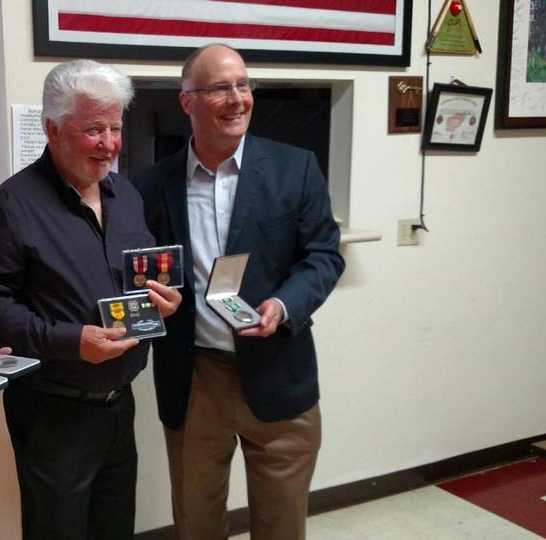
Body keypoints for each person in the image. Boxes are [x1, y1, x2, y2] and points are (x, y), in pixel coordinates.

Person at [0, 59, 182, 540]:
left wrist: (163, 299)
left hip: (120, 403)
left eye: (115, 128)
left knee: (115, 529)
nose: (109, 144)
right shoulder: (9, 208)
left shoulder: (126, 196)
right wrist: (68, 340)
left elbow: (139, 276)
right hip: (53, 412)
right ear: (53, 129)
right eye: (93, 129)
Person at [133, 44, 345, 540]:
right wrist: (152, 301)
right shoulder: (150, 185)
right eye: (220, 88)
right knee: (196, 523)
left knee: (282, 525)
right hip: (194, 378)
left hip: (279, 370)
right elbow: (138, 274)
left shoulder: (296, 168)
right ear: (187, 102)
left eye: (243, 85)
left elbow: (323, 256)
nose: (237, 99)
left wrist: (283, 305)